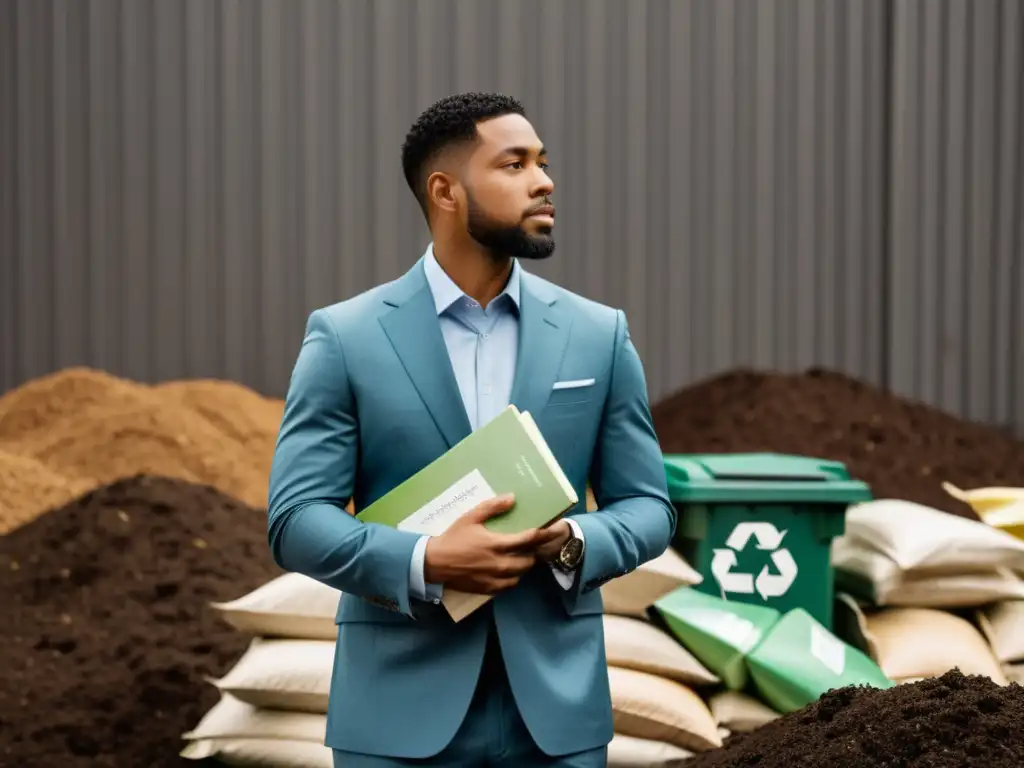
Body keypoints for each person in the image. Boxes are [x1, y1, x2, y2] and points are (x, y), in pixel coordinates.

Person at [267, 92, 676, 767]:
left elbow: (650, 507)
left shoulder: (598, 334)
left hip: (556, 719)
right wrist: (425, 561)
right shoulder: (345, 337)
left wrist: (573, 541)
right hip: (395, 718)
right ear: (445, 190)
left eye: (542, 163)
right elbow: (295, 519)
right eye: (514, 164)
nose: (544, 180)